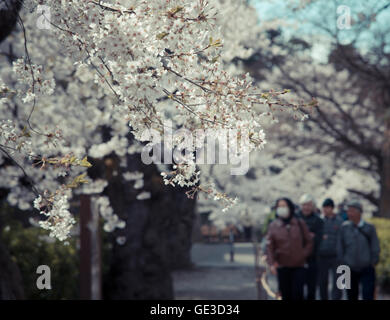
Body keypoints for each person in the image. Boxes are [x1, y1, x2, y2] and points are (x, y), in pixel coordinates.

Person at [266, 198, 314, 300]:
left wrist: (303, 254)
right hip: (282, 266)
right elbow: (269, 246)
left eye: (284, 206)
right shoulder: (273, 225)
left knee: (298, 294)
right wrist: (271, 263)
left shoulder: (300, 223)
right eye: (279, 206)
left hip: (299, 266)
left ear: (290, 208)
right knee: (285, 294)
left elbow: (309, 241)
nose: (281, 209)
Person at [337, 200, 380, 300]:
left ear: (359, 212)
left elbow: (375, 245)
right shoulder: (344, 227)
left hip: (367, 267)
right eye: (348, 211)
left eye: (352, 211)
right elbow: (340, 246)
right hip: (349, 267)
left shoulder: (369, 228)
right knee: (351, 295)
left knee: (368, 294)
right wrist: (342, 262)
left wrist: (374, 260)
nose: (349, 213)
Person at [297, 194, 324, 300]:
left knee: (311, 289)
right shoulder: (295, 218)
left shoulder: (318, 220)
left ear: (313, 206)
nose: (306, 207)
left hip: (313, 258)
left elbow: (319, 238)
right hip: (296, 259)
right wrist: (309, 235)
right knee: (297, 289)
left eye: (309, 205)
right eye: (304, 205)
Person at [317, 198, 343, 300]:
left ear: (332, 208)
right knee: (322, 281)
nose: (325, 210)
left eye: (327, 207)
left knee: (338, 282)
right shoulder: (319, 220)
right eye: (324, 208)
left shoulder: (339, 221)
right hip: (322, 255)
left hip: (336, 256)